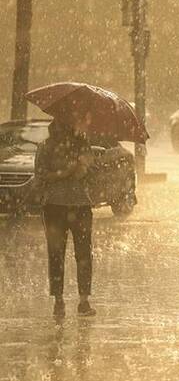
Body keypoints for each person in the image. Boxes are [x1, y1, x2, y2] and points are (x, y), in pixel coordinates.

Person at [34, 113, 97, 317]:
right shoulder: (49, 147)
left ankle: (66, 301)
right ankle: (78, 301)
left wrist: (78, 168)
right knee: (77, 253)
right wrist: (67, 171)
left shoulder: (80, 145)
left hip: (63, 206)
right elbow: (41, 176)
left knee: (64, 254)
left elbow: (88, 174)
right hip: (66, 206)